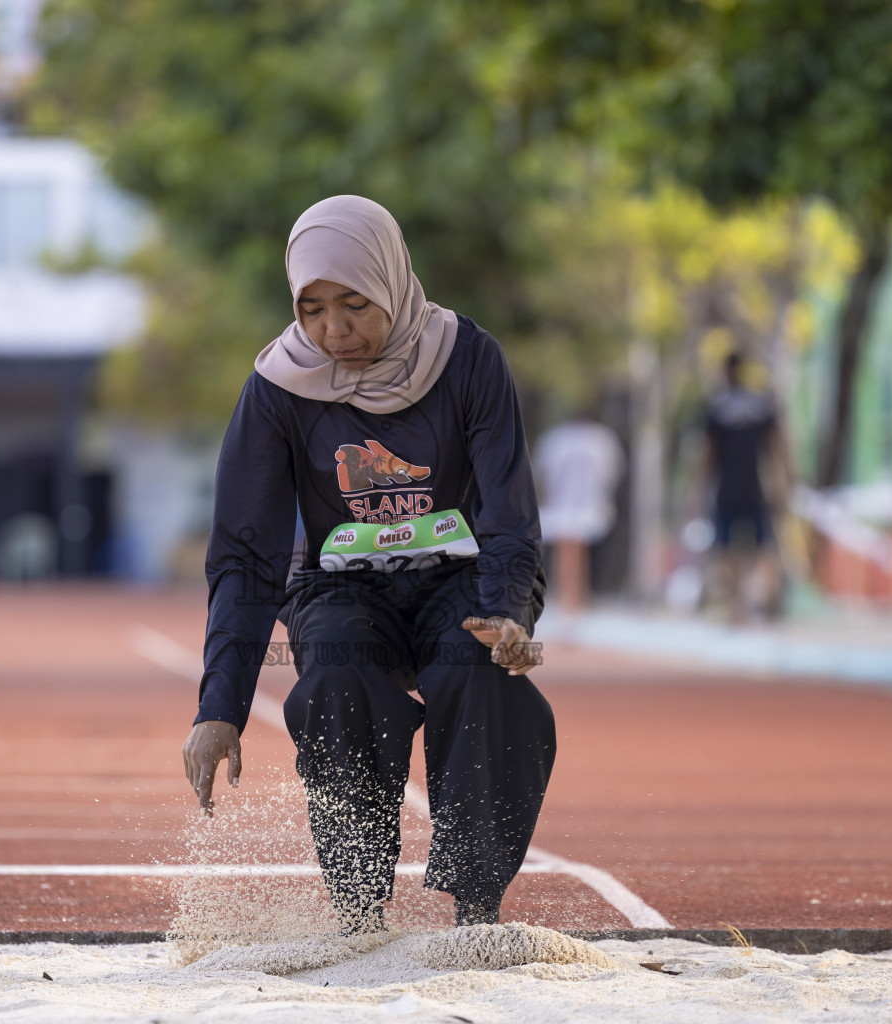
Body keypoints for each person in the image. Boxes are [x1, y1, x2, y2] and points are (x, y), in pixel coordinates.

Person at [182, 195, 553, 934]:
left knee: (479, 671)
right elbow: (248, 554)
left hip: (460, 580)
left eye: (354, 304)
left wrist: (511, 610)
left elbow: (511, 510)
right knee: (335, 677)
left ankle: (477, 909)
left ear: (392, 281)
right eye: (312, 308)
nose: (333, 330)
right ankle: (357, 910)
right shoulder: (278, 389)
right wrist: (219, 708)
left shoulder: (467, 358)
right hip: (344, 588)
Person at [701, 351, 790, 621]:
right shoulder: (760, 404)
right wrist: (786, 479)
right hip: (754, 487)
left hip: (737, 488)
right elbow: (778, 447)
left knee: (732, 548)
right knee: (762, 547)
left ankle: (740, 607)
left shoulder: (719, 406)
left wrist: (701, 487)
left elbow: (709, 453)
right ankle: (757, 604)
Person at [533, 414, 624, 610]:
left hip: (566, 506)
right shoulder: (600, 440)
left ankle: (569, 602)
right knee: (573, 552)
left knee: (568, 552)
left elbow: (544, 474)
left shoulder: (557, 438)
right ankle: (570, 602)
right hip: (584, 507)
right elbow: (611, 475)